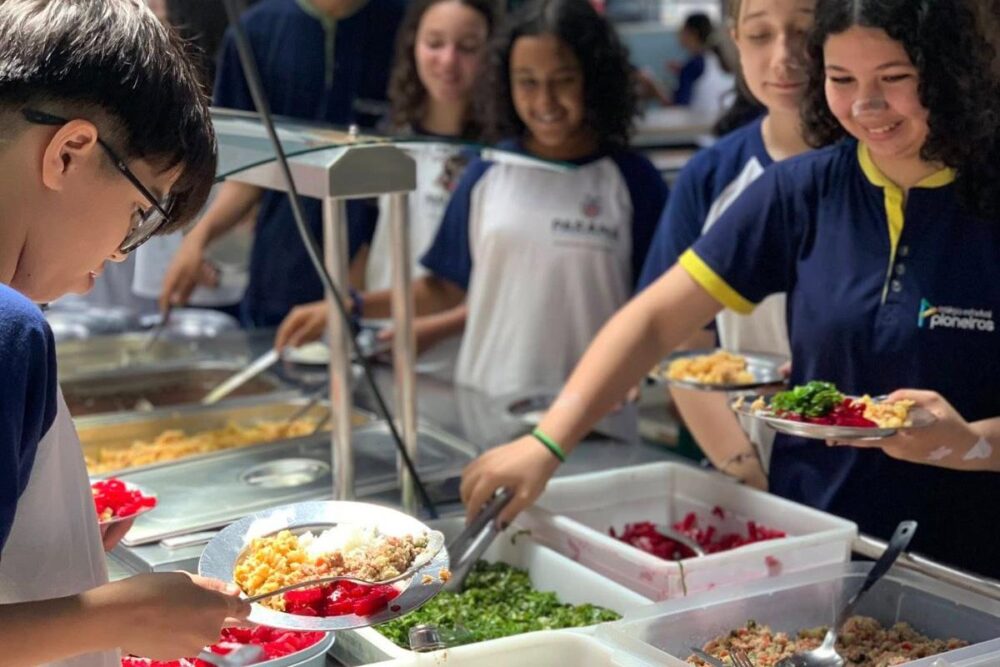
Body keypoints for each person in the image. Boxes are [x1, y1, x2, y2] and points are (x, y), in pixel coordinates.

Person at [461, 0, 1000, 577]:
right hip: (816, 547)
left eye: (894, 79)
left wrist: (969, 442)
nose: (866, 105)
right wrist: (548, 442)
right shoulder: (801, 192)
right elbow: (654, 321)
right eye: (841, 79)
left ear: (947, 72)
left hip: (973, 562)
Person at [0, 1, 249, 665]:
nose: (117, 255)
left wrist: (50, 530)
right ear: (71, 153)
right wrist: (123, 612)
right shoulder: (10, 329)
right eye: (138, 212)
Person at [299, 0, 668, 398]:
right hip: (485, 399)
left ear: (594, 79)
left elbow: (659, 307)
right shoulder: (487, 171)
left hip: (594, 409)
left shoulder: (634, 182)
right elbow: (444, 287)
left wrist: (645, 369)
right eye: (527, 81)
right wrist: (350, 305)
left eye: (563, 80)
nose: (544, 101)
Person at [637, 0, 816, 491]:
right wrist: (744, 467)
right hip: (759, 464)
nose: (784, 55)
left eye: (805, 31)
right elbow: (679, 342)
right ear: (734, 39)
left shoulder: (890, 170)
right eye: (760, 36)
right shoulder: (713, 176)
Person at [159, 0, 406, 328]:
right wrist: (197, 241)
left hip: (385, 281)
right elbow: (251, 176)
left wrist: (365, 261)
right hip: (281, 273)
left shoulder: (408, 30)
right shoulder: (254, 35)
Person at [274, 0, 498, 359]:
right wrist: (343, 318)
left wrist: (354, 308)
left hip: (465, 351)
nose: (448, 62)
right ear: (412, 45)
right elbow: (365, 243)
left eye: (468, 48)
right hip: (383, 339)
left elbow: (488, 287)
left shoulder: (497, 154)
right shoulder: (391, 134)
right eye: (434, 43)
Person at [669, 13, 734, 119]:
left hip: (699, 132)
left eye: (682, 30)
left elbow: (678, 107)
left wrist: (655, 90)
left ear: (692, 33)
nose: (678, 34)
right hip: (726, 126)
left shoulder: (693, 65)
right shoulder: (720, 58)